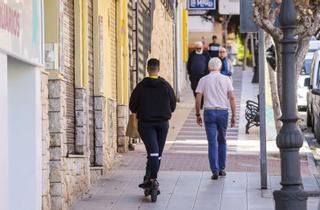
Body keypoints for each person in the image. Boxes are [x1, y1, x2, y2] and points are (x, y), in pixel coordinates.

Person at [129, 58, 176, 194]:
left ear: (147, 69)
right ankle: (152, 179)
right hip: (162, 124)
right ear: (158, 69)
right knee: (157, 154)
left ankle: (150, 178)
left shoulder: (140, 86)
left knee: (153, 153)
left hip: (146, 125)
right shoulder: (166, 86)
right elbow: (172, 106)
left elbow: (132, 106)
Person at [195, 57, 236, 180]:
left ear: (208, 67)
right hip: (223, 112)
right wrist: (234, 115)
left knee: (212, 142)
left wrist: (197, 114)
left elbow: (198, 98)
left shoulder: (203, 79)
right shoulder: (226, 79)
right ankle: (222, 168)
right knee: (222, 140)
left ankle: (214, 170)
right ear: (220, 67)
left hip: (209, 112)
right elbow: (232, 98)